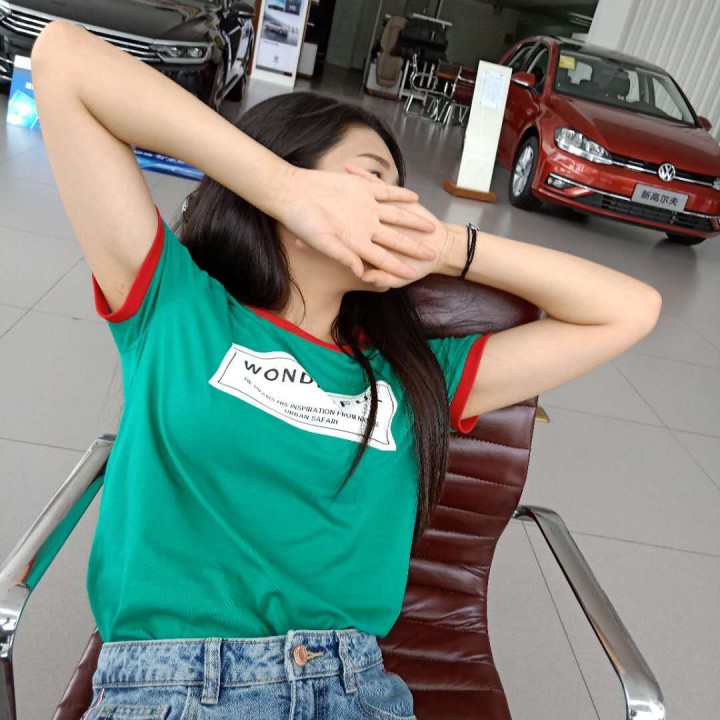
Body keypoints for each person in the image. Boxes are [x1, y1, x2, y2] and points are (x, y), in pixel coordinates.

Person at [31, 20, 661, 720]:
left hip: (354, 689)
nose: (396, 202)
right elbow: (64, 60)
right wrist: (283, 188)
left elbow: (628, 310)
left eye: (400, 188)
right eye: (370, 178)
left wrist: (445, 245)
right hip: (175, 688)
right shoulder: (175, 306)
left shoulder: (416, 376)